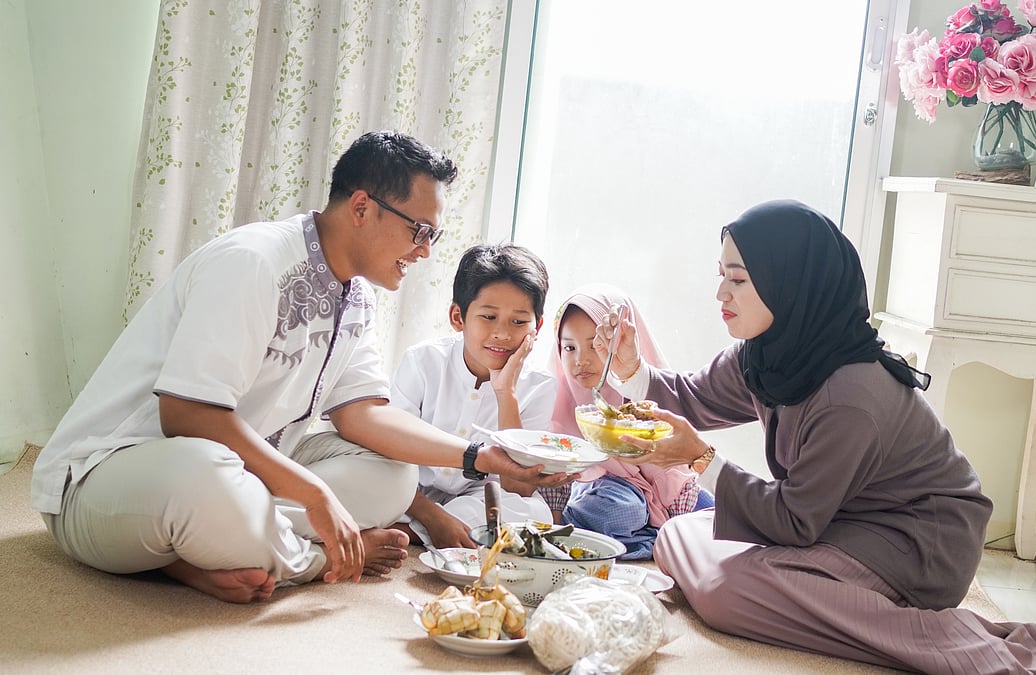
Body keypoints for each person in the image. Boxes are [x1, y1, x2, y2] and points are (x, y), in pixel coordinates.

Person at [29, 131, 572, 604]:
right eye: (419, 231)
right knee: (203, 475)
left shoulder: (358, 296)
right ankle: (312, 558)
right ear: (362, 207)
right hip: (107, 477)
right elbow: (187, 416)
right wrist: (315, 495)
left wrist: (480, 457)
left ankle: (213, 546)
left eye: (433, 235)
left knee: (395, 476)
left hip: (240, 471)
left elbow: (363, 416)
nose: (426, 251)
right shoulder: (253, 261)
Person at [596, 200, 1036, 673]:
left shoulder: (850, 394)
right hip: (837, 521)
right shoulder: (770, 353)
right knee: (675, 535)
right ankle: (809, 592)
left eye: (739, 280)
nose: (721, 294)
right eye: (721, 276)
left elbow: (793, 521)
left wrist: (702, 459)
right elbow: (690, 397)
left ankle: (948, 639)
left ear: (789, 284)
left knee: (725, 589)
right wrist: (631, 366)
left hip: (916, 544)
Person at [389, 242, 558, 548]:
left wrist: (506, 393)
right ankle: (430, 529)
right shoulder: (423, 361)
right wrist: (432, 517)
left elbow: (517, 487)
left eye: (519, 322)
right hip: (407, 490)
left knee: (532, 512)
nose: (503, 334)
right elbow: (390, 453)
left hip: (478, 499)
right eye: (488, 317)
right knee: (364, 476)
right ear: (458, 317)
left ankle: (406, 533)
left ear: (538, 327)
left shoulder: (540, 385)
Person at [542, 283, 712, 559]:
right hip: (598, 490)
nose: (581, 360)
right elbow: (554, 476)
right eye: (569, 347)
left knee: (719, 515)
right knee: (625, 509)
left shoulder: (645, 396)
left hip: (656, 490)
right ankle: (648, 536)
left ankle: (651, 534)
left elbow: (671, 471)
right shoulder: (557, 404)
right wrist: (556, 519)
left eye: (595, 346)